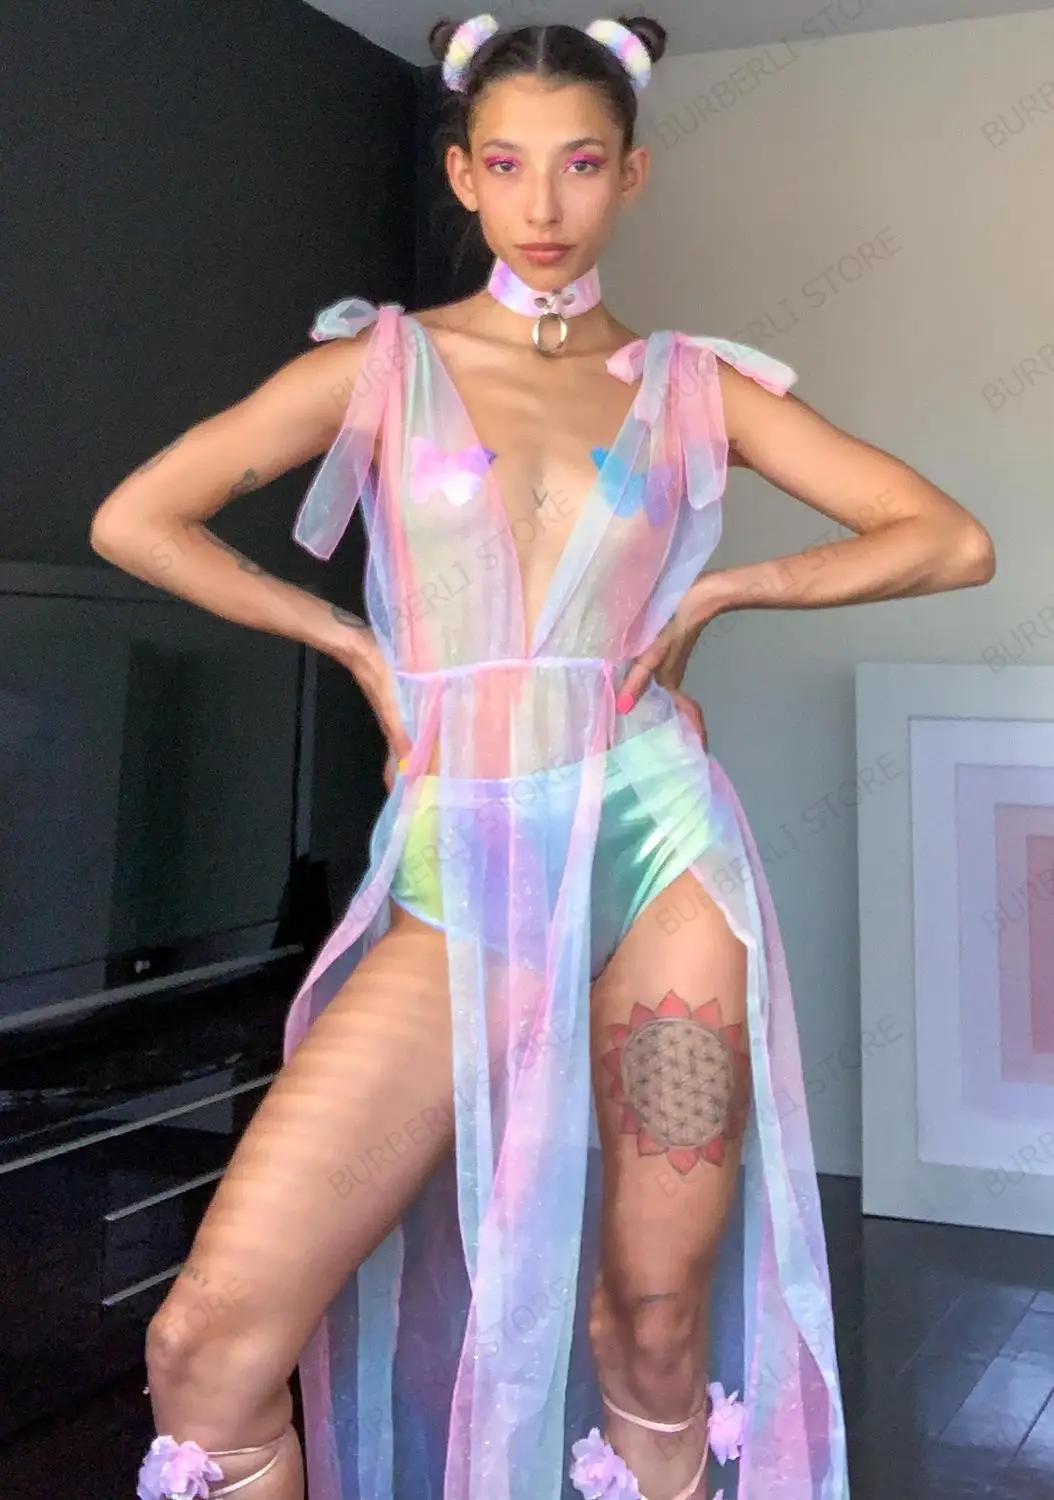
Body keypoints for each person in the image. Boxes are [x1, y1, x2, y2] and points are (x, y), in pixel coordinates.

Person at [90, 14, 994, 1500]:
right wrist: (351, 643)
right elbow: (138, 519)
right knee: (209, 1343)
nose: (544, 204)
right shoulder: (381, 364)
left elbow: (947, 540)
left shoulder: (694, 384)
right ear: (462, 175)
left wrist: (723, 590)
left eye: (580, 164)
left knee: (655, 1317)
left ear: (630, 174)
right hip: (468, 865)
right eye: (507, 165)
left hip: (659, 852)